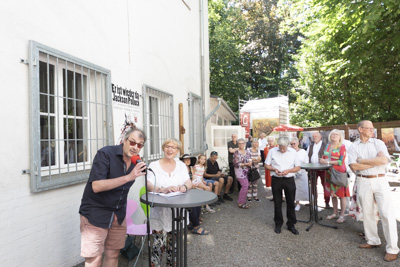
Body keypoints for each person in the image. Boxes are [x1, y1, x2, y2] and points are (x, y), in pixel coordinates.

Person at [79, 127, 147, 267]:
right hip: (96, 213)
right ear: (124, 140)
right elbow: (96, 186)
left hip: (118, 214)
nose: (135, 147)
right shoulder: (105, 154)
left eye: (139, 145)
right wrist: (129, 177)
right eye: (132, 142)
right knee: (94, 258)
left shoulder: (136, 162)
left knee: (113, 254)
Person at [348, 120, 399, 262]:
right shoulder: (353, 147)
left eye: (372, 128)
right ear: (360, 129)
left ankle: (392, 248)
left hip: (380, 180)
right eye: (369, 128)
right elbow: (354, 167)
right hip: (362, 180)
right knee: (368, 213)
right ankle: (372, 240)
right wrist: (374, 161)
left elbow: (384, 160)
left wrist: (363, 161)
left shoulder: (378, 143)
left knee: (387, 214)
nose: (372, 130)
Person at [146, 139, 197, 266]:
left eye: (173, 147)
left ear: (177, 151)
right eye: (167, 146)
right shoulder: (154, 165)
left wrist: (184, 187)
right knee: (158, 244)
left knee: (174, 246)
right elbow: (148, 185)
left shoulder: (181, 165)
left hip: (177, 211)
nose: (170, 149)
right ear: (163, 148)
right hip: (160, 210)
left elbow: (188, 181)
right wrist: (162, 189)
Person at [265, 137, 301, 235]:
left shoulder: (293, 152)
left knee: (290, 202)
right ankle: (278, 223)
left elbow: (298, 167)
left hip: (289, 179)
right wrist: (274, 169)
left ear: (287, 145)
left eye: (284, 148)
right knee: (277, 202)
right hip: (276, 179)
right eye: (280, 148)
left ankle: (291, 224)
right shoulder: (272, 151)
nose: (282, 150)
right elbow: (266, 165)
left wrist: (288, 171)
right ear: (278, 145)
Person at [319, 130, 350, 223]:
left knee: (342, 195)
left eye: (336, 134)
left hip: (339, 173)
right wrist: (322, 160)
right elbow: (325, 157)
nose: (334, 136)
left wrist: (327, 162)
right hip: (329, 172)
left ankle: (342, 215)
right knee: (333, 194)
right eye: (332, 134)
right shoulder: (327, 146)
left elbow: (341, 161)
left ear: (340, 137)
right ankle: (335, 213)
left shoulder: (342, 146)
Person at [307, 132, 331, 209]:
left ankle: (327, 203)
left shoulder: (326, 146)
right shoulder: (310, 146)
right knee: (313, 186)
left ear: (320, 137)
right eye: (313, 136)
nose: (314, 137)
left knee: (325, 186)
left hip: (323, 169)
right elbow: (307, 156)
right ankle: (314, 202)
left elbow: (329, 157)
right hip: (312, 169)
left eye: (316, 136)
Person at [290, 137, 309, 211]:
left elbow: (306, 161)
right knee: (295, 188)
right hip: (293, 172)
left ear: (298, 143)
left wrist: (300, 167)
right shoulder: (290, 152)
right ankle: (297, 203)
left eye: (294, 143)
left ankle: (312, 203)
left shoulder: (303, 151)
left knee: (305, 187)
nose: (292, 145)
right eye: (291, 144)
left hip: (302, 171)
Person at [233, 138, 252, 208]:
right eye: (239, 143)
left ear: (245, 144)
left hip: (248, 172)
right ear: (238, 144)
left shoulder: (247, 152)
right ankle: (240, 202)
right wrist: (246, 164)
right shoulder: (236, 153)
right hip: (240, 172)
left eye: (242, 143)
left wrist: (250, 163)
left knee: (246, 187)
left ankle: (243, 202)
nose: (241, 145)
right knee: (244, 186)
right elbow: (236, 164)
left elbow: (250, 160)